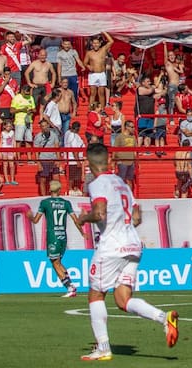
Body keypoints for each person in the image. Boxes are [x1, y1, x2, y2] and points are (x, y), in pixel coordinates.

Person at [74, 143, 178, 361]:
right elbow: (137, 217)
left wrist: (84, 218)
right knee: (123, 300)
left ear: (88, 163)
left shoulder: (97, 184)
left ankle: (103, 348)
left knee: (95, 295)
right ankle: (164, 318)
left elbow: (100, 213)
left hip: (112, 246)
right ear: (108, 160)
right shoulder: (122, 183)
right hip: (133, 244)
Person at [31, 179, 83, 297]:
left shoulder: (45, 202)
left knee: (55, 263)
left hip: (53, 235)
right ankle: (70, 286)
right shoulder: (66, 203)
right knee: (57, 262)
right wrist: (82, 233)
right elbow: (75, 220)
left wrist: (30, 217)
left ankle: (70, 287)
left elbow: (36, 220)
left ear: (50, 189)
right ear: (59, 190)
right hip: (63, 236)